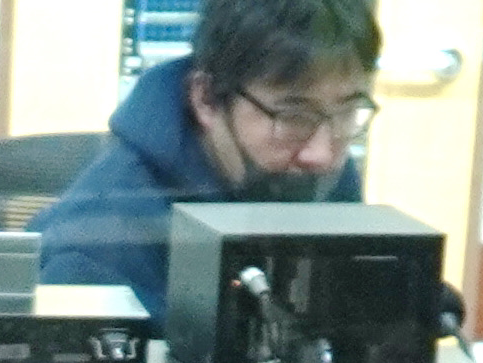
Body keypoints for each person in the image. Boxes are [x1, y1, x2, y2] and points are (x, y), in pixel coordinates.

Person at [30, 0, 378, 318]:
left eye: (346, 113)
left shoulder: (317, 178)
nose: (322, 155)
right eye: (292, 117)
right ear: (207, 99)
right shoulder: (96, 245)